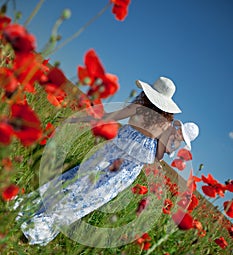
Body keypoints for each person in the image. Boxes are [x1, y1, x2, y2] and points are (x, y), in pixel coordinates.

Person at [17, 76, 199, 246]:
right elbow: (158, 156)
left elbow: (112, 116)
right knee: (89, 197)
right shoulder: (165, 125)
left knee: (76, 181)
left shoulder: (138, 107)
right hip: (125, 173)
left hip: (108, 156)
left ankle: (34, 212)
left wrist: (87, 118)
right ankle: (41, 227)